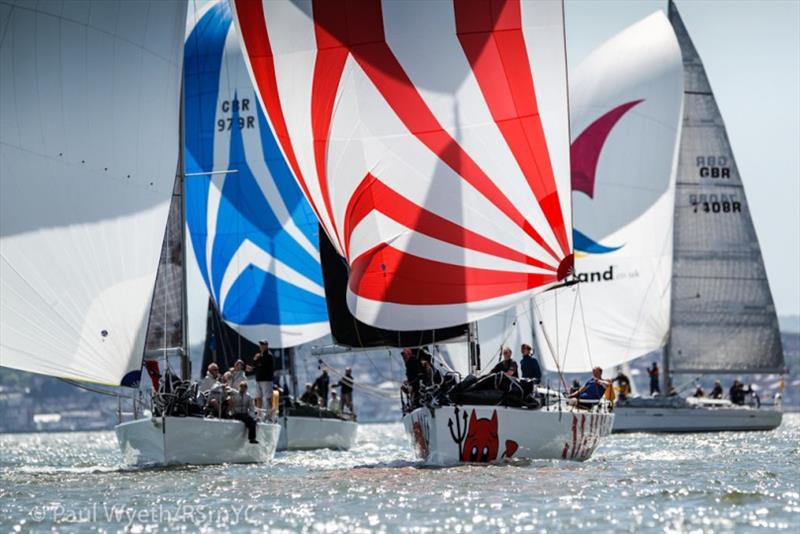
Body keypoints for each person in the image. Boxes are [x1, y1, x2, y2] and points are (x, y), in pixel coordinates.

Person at [251, 340, 274, 411]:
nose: (261, 346)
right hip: (258, 379)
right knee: (258, 397)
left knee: (268, 398)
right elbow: (255, 365)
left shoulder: (269, 355)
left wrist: (258, 359)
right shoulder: (259, 355)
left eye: (263, 345)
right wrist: (255, 360)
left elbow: (262, 365)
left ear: (266, 346)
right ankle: (259, 414)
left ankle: (270, 414)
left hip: (266, 380)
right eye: (260, 345)